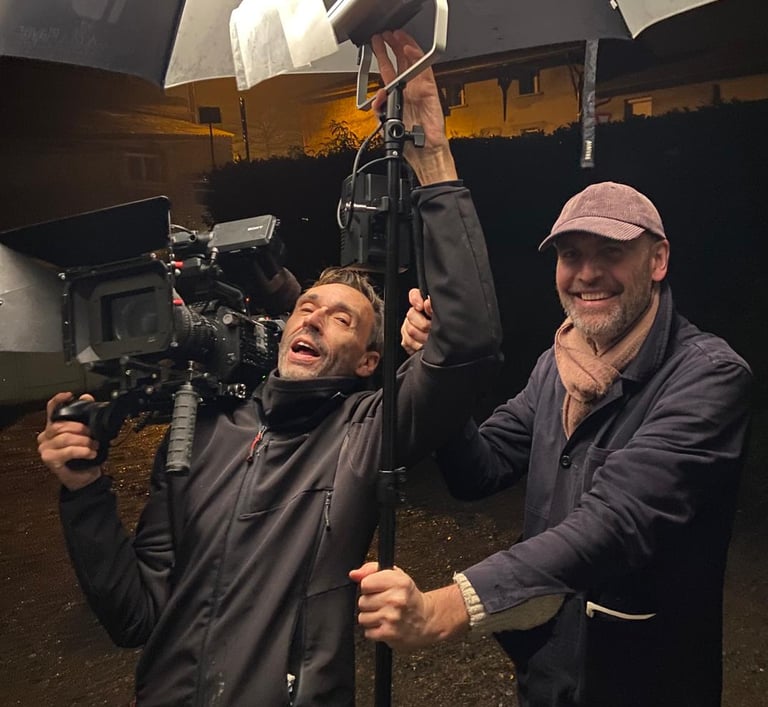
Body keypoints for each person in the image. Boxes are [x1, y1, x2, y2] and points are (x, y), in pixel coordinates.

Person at [36, 31, 502, 707]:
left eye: (341, 318)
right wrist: (84, 492)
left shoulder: (366, 430)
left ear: (370, 361)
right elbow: (136, 616)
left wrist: (430, 149)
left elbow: (468, 343)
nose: (313, 318)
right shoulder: (203, 428)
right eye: (306, 308)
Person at [352, 181, 753, 707]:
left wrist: (448, 607)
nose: (587, 273)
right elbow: (480, 470)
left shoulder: (708, 376)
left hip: (645, 677)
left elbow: (618, 520)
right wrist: (440, 370)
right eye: (570, 255)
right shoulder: (556, 366)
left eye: (611, 252)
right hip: (548, 672)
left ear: (657, 260)